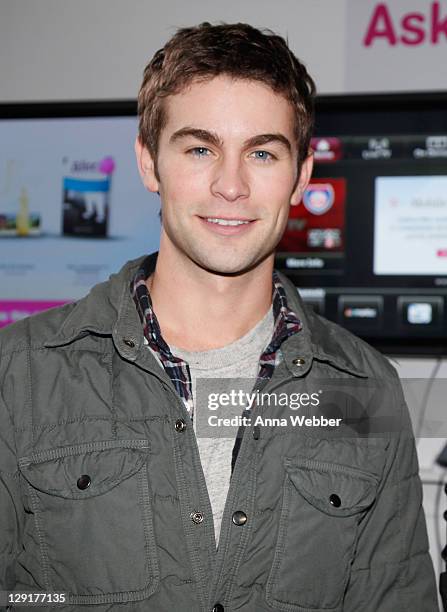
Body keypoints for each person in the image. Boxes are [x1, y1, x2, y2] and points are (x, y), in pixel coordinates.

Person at [0, 22, 438, 612]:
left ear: (302, 175)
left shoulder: (364, 390)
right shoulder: (19, 374)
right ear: (150, 163)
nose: (230, 185)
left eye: (261, 152)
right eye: (200, 148)